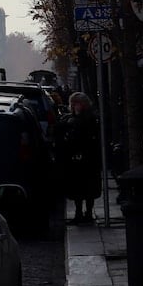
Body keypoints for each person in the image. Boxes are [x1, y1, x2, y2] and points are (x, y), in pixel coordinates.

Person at [59, 91, 102, 223]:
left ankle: (88, 213)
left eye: (76, 103)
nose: (73, 106)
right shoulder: (69, 119)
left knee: (88, 188)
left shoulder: (90, 119)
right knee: (77, 188)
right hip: (75, 160)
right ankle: (79, 213)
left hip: (88, 159)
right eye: (72, 104)